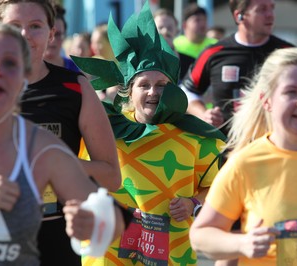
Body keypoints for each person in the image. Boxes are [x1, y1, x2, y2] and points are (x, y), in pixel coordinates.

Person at [71, 2, 226, 265]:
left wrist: (193, 203)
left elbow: (218, 187)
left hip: (171, 252)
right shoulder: (104, 128)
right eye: (144, 85)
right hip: (110, 252)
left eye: (162, 84)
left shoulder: (195, 136)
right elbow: (76, 171)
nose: (154, 92)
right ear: (128, 91)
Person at [0, 21, 125, 265]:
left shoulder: (41, 146)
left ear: (23, 79)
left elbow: (113, 220)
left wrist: (93, 223)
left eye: (10, 63)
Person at [189, 47, 297, 265]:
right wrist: (242, 244)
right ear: (267, 100)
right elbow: (201, 235)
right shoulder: (245, 163)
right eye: (291, 92)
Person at [181, 0, 294, 131]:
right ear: (239, 16)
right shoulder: (214, 52)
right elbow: (187, 91)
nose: (270, 15)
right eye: (262, 9)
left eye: (271, 8)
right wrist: (204, 114)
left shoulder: (287, 53)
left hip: (271, 146)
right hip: (226, 146)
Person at [153, 8, 195, 80]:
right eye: (160, 27)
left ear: (177, 31)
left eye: (170, 28)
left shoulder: (191, 64)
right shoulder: (140, 62)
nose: (165, 31)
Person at [43, 3, 79, 72]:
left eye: (58, 34)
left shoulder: (74, 69)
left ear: (65, 35)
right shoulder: (26, 68)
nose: (53, 40)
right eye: (49, 34)